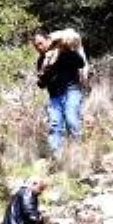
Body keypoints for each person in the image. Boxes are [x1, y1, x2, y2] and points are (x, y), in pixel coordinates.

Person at [33, 29, 87, 157]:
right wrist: (44, 74)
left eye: (40, 43)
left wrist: (66, 51)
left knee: (71, 119)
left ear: (47, 40)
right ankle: (56, 156)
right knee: (55, 125)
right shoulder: (42, 60)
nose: (38, 47)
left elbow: (80, 63)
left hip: (71, 91)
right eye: (35, 46)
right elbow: (42, 84)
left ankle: (76, 152)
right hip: (55, 96)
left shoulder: (63, 52)